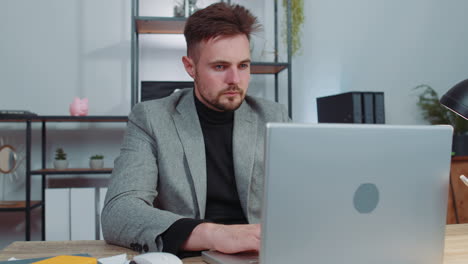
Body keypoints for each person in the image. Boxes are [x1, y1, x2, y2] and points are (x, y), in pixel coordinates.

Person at [101, 2, 289, 257]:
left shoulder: (273, 117)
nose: (235, 80)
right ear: (190, 67)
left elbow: (307, 197)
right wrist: (216, 234)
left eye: (243, 65)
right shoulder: (151, 118)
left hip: (263, 254)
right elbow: (118, 211)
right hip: (194, 256)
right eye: (220, 67)